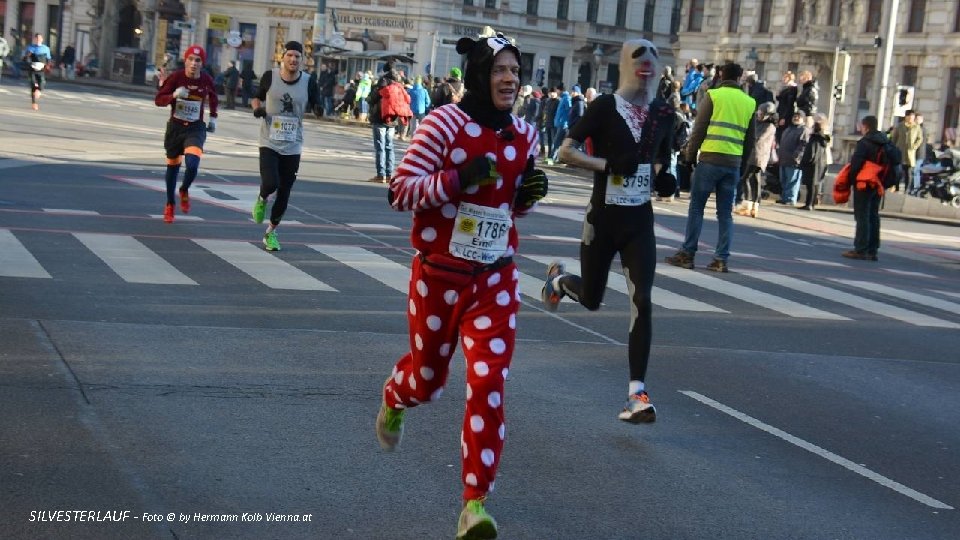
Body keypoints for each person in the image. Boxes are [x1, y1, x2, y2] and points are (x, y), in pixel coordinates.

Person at [378, 32, 547, 540]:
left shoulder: (524, 135)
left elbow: (509, 204)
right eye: (500, 70)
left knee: (488, 383)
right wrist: (458, 179)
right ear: (479, 74)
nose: (510, 79)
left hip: (495, 277)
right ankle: (395, 393)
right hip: (439, 275)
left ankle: (474, 504)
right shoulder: (443, 123)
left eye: (516, 71)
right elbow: (400, 191)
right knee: (428, 382)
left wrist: (528, 197)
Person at [542, 38, 674, 424]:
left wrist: (668, 179)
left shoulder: (663, 112)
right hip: (603, 219)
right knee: (593, 299)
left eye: (653, 60)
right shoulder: (604, 107)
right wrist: (606, 165)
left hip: (639, 222)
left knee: (643, 300)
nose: (646, 66)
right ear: (625, 66)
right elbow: (564, 151)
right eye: (638, 60)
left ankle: (637, 394)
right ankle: (560, 279)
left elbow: (664, 161)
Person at [665, 62, 756, 273]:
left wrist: (689, 157)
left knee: (697, 207)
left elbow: (699, 129)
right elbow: (751, 139)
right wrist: (743, 165)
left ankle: (687, 254)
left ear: (722, 75)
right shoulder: (749, 102)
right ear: (740, 77)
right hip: (732, 163)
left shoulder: (714, 96)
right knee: (725, 213)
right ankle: (721, 259)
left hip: (710, 159)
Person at [248, 41, 318, 252]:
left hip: (293, 144)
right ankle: (262, 198)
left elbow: (316, 103)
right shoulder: (270, 76)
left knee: (285, 191)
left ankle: (271, 232)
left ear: (301, 60)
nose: (293, 60)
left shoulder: (308, 81)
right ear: (283, 57)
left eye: (297, 56)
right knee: (271, 183)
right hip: (269, 141)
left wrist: (320, 108)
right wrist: (258, 109)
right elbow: (256, 98)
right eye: (290, 55)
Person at [154, 45, 218, 223]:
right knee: (172, 168)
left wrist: (213, 118)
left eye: (198, 60)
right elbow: (159, 100)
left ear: (202, 63)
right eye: (190, 59)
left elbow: (213, 97)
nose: (194, 63)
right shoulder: (176, 77)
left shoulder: (206, 79)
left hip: (195, 128)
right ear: (186, 60)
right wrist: (174, 94)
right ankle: (170, 204)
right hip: (175, 128)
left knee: (192, 164)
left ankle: (184, 189)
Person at [842, 115, 888, 261]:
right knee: (873, 215)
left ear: (866, 127)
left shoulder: (865, 142)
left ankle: (861, 249)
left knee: (862, 215)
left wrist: (850, 180)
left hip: (864, 182)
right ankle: (872, 249)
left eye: (861, 127)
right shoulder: (885, 141)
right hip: (879, 182)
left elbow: (856, 163)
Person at [365, 61, 410, 183]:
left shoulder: (383, 81)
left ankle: (381, 175)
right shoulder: (399, 83)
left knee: (380, 147)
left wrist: (370, 97)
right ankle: (390, 175)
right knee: (389, 147)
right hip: (393, 119)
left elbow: (373, 98)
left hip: (380, 118)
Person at [735, 101, 777, 218]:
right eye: (759, 112)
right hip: (756, 155)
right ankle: (755, 206)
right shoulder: (758, 123)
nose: (759, 115)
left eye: (762, 113)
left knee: (745, 179)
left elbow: (758, 138)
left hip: (757, 156)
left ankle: (747, 205)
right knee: (755, 180)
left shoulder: (769, 126)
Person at [776, 110, 810, 205]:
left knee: (792, 181)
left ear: (803, 119)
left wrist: (797, 157)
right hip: (783, 159)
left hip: (794, 161)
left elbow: (803, 145)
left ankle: (790, 199)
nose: (796, 118)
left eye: (798, 117)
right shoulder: (788, 129)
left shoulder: (804, 130)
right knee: (784, 180)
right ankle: (784, 197)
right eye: (795, 116)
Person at [799, 113, 831, 210]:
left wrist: (805, 161)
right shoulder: (823, 137)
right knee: (815, 183)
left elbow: (812, 152)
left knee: (811, 184)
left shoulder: (816, 137)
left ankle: (809, 204)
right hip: (821, 162)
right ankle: (811, 203)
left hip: (814, 164)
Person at [889, 110, 923, 192]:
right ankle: (896, 187)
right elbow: (894, 137)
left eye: (913, 117)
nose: (911, 119)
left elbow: (920, 138)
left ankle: (906, 189)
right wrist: (892, 148)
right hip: (899, 151)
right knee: (898, 171)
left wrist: (915, 146)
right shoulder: (900, 126)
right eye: (910, 117)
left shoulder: (917, 127)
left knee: (908, 172)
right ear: (906, 117)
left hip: (910, 154)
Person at [24, 33, 51, 111]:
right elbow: (26, 58)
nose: (38, 40)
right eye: (37, 38)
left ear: (42, 40)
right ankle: (34, 103)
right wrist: (28, 56)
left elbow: (49, 59)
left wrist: (48, 66)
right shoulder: (31, 47)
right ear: (35, 39)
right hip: (32, 69)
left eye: (40, 38)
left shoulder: (46, 48)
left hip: (41, 69)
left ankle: (38, 90)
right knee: (32, 84)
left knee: (42, 82)